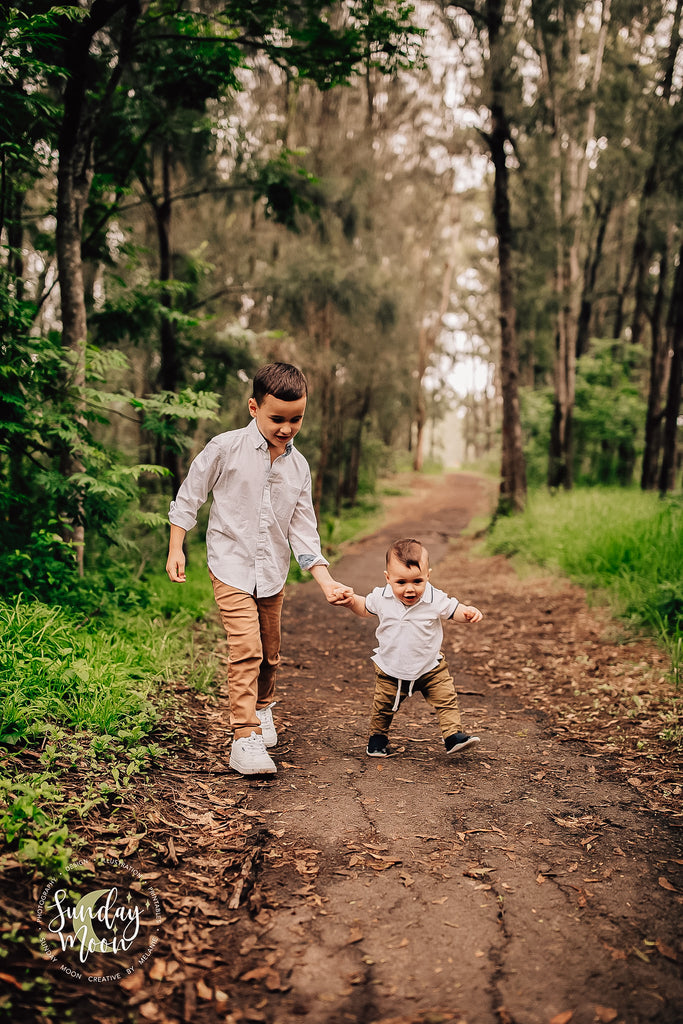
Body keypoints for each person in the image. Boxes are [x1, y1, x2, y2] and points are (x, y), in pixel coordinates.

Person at [166, 362, 351, 776]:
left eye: (296, 419)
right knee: (246, 648)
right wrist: (176, 547)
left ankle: (263, 708)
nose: (287, 428)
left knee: (270, 653)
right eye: (277, 418)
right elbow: (190, 496)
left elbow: (303, 531)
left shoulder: (298, 467)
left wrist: (325, 580)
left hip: (272, 573)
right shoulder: (224, 448)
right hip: (229, 565)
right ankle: (244, 737)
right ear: (253, 407)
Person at [333, 538, 482, 758]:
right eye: (401, 582)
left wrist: (466, 612)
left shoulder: (434, 598)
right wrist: (350, 601)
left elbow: (453, 609)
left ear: (428, 576)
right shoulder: (382, 597)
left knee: (446, 699)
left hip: (431, 667)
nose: (410, 589)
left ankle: (453, 736)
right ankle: (377, 738)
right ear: (388, 578)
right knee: (383, 706)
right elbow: (364, 607)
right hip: (391, 667)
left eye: (417, 581)